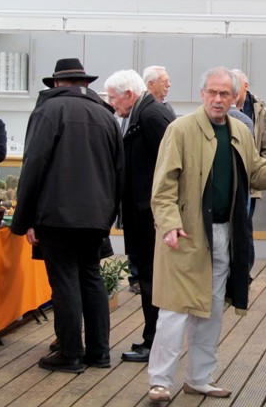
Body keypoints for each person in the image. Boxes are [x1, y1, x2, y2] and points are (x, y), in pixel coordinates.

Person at [147, 67, 266, 402]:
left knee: (212, 308)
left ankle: (199, 378)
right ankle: (160, 381)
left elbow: (255, 171)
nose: (218, 99)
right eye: (212, 92)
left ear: (236, 97)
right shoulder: (180, 130)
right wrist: (169, 223)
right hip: (186, 236)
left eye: (224, 93)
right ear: (201, 94)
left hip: (224, 234)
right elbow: (163, 187)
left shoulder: (240, 131)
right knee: (175, 310)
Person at [11, 58, 124, 374]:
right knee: (91, 277)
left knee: (64, 282)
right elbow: (119, 170)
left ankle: (70, 352)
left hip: (57, 214)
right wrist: (109, 215)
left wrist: (25, 219)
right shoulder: (106, 116)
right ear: (85, 83)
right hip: (96, 215)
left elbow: (34, 165)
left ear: (57, 84)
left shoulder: (49, 110)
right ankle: (99, 352)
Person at [104, 69, 176, 363]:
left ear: (129, 95)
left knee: (150, 278)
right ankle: (152, 338)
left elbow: (173, 163)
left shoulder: (149, 116)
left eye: (113, 98)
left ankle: (154, 342)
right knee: (148, 277)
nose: (112, 105)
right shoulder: (144, 114)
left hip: (150, 214)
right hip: (145, 212)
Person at [232, 68, 266, 270]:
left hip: (249, 183)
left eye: (235, 85)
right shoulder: (219, 108)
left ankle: (244, 271)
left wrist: (256, 174)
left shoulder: (260, 113)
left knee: (244, 227)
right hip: (223, 183)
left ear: (245, 86)